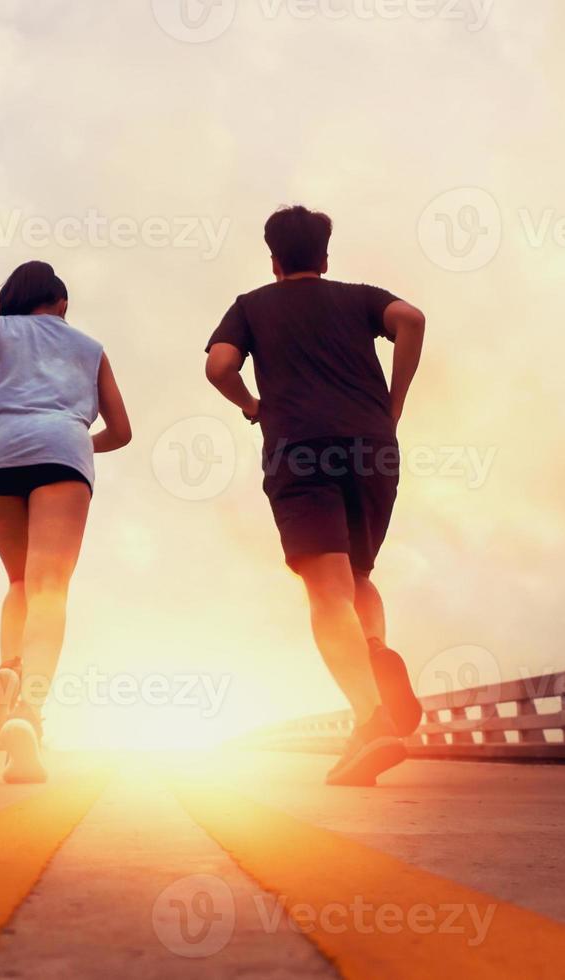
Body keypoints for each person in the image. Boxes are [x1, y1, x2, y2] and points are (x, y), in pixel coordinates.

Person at [204, 205, 427, 786]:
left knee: (326, 590)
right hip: (372, 448)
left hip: (300, 449)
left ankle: (371, 720)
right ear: (325, 257)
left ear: (273, 259)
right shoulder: (357, 297)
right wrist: (393, 402)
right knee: (357, 575)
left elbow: (219, 365)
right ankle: (373, 648)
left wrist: (251, 404)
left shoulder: (252, 305)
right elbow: (412, 318)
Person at [0, 260, 132, 783]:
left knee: (21, 581)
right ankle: (28, 710)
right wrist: (70, 444)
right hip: (62, 450)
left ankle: (10, 668)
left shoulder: (0, 329)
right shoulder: (89, 348)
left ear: (12, 298)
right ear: (62, 304)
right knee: (50, 587)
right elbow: (122, 431)